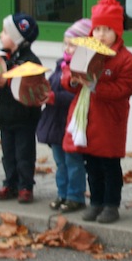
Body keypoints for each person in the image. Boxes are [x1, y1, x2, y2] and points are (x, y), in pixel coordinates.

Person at [62, 0, 132, 224]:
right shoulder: (84, 50)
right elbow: (68, 75)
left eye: (107, 30)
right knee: (91, 164)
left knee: (109, 165)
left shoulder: (125, 59)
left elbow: (125, 87)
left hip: (109, 121)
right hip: (87, 118)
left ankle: (111, 204)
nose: (101, 35)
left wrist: (96, 85)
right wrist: (74, 81)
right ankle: (95, 201)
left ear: (118, 31)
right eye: (97, 29)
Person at [37, 18, 91, 214]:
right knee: (60, 162)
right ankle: (62, 193)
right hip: (56, 122)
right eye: (66, 44)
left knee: (73, 162)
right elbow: (54, 86)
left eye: (73, 45)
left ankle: (75, 196)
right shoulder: (62, 65)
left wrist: (53, 98)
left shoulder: (83, 69)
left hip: (71, 123)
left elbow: (75, 97)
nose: (68, 48)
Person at [0, 13, 43, 204]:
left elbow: (31, 84)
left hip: (24, 117)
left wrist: (8, 79)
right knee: (8, 154)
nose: (0, 35)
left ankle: (25, 186)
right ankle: (9, 183)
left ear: (17, 37)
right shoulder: (0, 57)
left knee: (24, 154)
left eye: (5, 32)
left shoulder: (30, 60)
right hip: (4, 115)